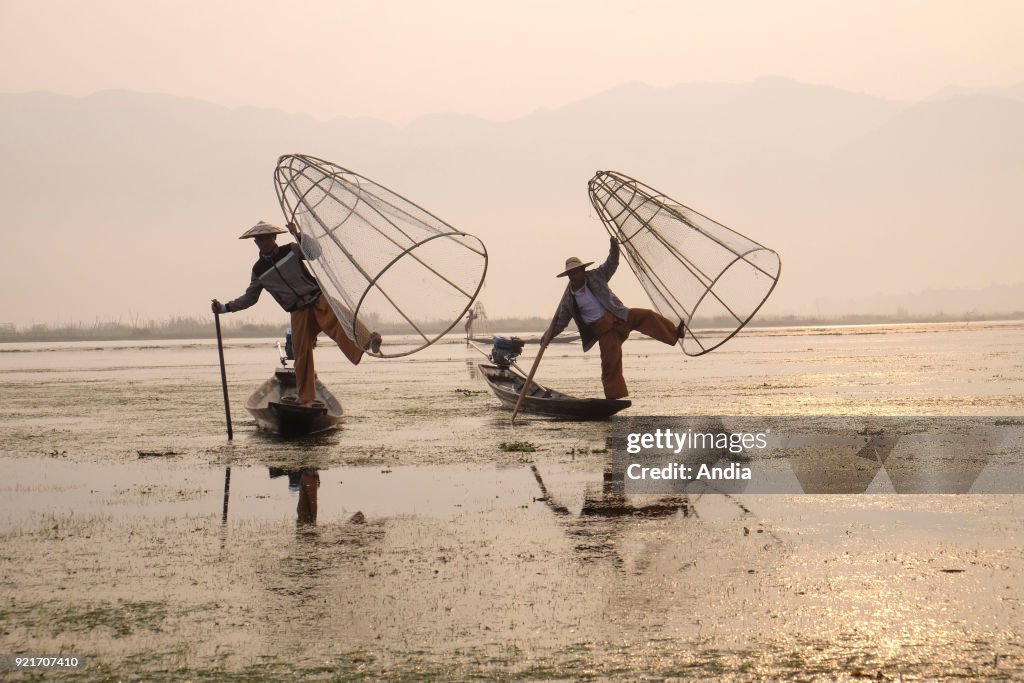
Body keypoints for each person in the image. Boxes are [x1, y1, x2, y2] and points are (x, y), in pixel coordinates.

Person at [212, 220, 381, 406]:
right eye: (259, 240)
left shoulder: (291, 250)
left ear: (274, 238)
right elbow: (250, 298)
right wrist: (223, 308)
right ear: (255, 243)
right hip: (297, 311)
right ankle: (306, 398)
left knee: (340, 318)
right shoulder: (258, 270)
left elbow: (315, 253)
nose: (263, 242)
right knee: (301, 355)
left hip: (316, 298)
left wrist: (298, 234)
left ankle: (368, 340)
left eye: (266, 238)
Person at [540, 237, 683, 399]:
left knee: (647, 315)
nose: (574, 275)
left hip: (619, 316)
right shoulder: (568, 300)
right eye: (571, 273)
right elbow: (560, 323)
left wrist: (614, 247)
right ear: (568, 276)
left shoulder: (595, 276)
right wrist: (547, 337)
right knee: (610, 364)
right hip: (605, 331)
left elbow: (611, 264)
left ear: (582, 271)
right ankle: (614, 397)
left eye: (577, 271)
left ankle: (674, 333)